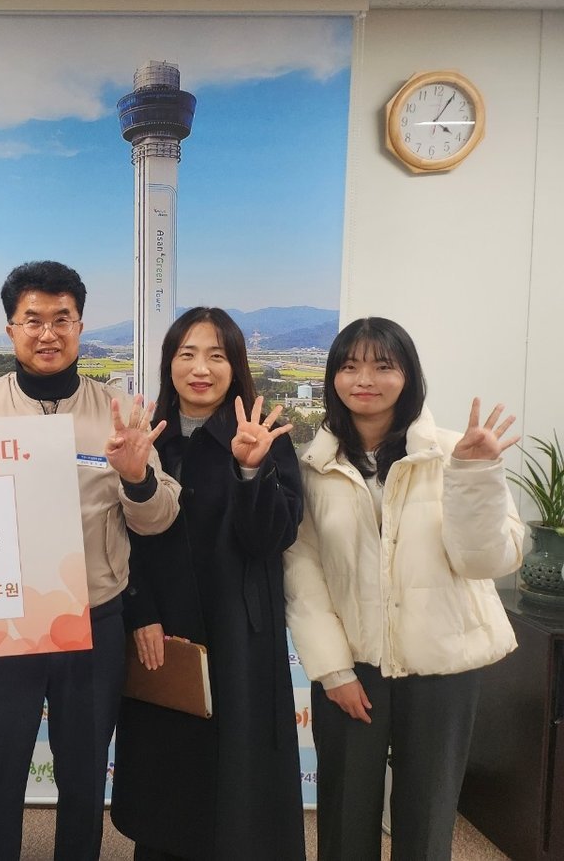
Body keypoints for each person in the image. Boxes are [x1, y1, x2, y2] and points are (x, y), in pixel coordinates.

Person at [0, 260, 180, 861]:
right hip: (8, 624)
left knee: (83, 780)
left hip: (94, 619)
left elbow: (158, 519)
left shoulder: (119, 410)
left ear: (81, 326)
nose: (48, 333)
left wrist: (136, 478)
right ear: (11, 329)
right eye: (33, 320)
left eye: (63, 319)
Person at [283, 317, 523, 861]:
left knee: (427, 817)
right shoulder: (313, 466)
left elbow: (487, 560)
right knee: (345, 818)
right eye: (350, 366)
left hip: (442, 665)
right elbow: (303, 573)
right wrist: (333, 670)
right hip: (354, 665)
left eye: (382, 365)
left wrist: (474, 476)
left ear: (408, 375)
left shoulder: (454, 452)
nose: (364, 379)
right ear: (333, 378)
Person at [111, 307, 305, 860]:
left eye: (216, 356)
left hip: (239, 631)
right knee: (168, 769)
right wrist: (141, 611)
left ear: (235, 366)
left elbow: (271, 539)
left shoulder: (263, 439)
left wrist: (250, 470)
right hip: (162, 629)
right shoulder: (148, 437)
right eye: (187, 354)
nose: (201, 369)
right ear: (168, 364)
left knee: (239, 776)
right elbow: (120, 535)